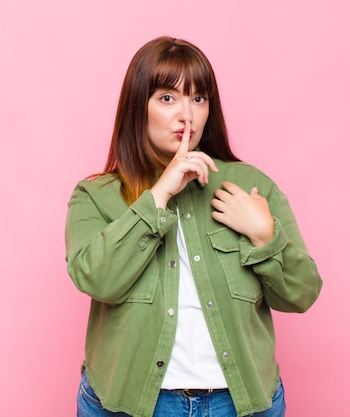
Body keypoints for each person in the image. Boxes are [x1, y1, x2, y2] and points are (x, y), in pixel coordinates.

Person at [64, 37, 322, 417]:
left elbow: (301, 295)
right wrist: (159, 196)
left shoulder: (250, 185)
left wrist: (266, 237)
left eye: (198, 98)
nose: (187, 114)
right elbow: (98, 279)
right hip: (130, 405)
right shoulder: (95, 195)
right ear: (139, 107)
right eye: (168, 98)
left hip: (239, 405)